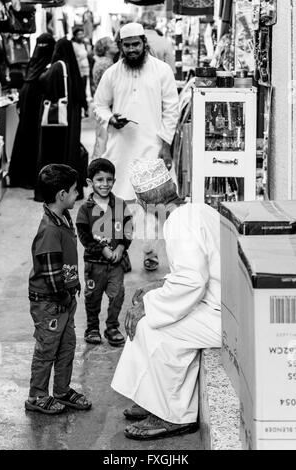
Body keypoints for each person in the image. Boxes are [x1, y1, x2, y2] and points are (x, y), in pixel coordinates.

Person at [111, 159, 221, 440]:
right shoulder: (196, 209)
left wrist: (148, 305)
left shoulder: (178, 224)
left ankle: (175, 416)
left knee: (151, 327)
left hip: (221, 315)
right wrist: (155, 288)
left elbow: (192, 281)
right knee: (149, 319)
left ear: (143, 204)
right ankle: (154, 400)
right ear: (172, 188)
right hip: (220, 303)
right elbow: (196, 273)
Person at [94, 22, 179, 271]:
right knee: (119, 204)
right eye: (127, 45)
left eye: (136, 44)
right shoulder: (112, 73)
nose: (132, 50)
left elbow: (171, 110)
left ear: (144, 43)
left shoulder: (161, 70)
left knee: (153, 206)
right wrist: (111, 118)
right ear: (120, 46)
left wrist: (165, 146)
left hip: (152, 147)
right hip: (120, 149)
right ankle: (120, 252)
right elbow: (99, 104)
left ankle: (150, 253)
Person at [26, 164, 92, 414]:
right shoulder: (50, 230)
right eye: (76, 191)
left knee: (66, 346)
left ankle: (62, 391)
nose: (79, 195)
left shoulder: (62, 218)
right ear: (62, 195)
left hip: (64, 300)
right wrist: (64, 295)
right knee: (47, 349)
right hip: (50, 302)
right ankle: (37, 396)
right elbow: (51, 273)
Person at [76, 159, 133, 346]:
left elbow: (128, 228)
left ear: (114, 181)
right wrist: (103, 249)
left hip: (116, 264)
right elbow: (84, 237)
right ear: (90, 183)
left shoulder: (120, 204)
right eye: (99, 180)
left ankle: (112, 327)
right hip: (94, 265)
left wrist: (121, 247)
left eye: (109, 180)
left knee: (117, 295)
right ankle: (92, 328)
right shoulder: (85, 209)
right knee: (93, 297)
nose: (105, 184)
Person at [35, 38, 88, 202]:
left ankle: (53, 190)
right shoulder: (72, 67)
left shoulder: (58, 66)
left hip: (58, 123)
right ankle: (71, 189)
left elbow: (43, 82)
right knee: (69, 152)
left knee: (54, 154)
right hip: (70, 118)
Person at [9, 34, 55, 189]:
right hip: (37, 103)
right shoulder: (49, 64)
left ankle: (20, 176)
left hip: (27, 99)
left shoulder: (33, 62)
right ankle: (31, 177)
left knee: (25, 136)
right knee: (35, 139)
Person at [92, 37, 119, 159]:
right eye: (112, 43)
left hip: (104, 106)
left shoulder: (103, 62)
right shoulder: (106, 64)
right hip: (107, 107)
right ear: (106, 48)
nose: (115, 44)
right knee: (104, 143)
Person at [71, 26, 90, 101]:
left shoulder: (83, 44)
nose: (81, 36)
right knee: (79, 88)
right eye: (79, 34)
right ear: (75, 36)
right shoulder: (73, 45)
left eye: (82, 34)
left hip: (86, 69)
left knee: (84, 87)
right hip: (79, 70)